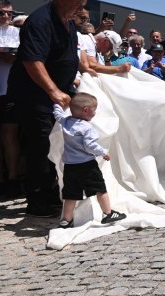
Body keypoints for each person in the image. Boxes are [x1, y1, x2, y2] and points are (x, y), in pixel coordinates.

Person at [7, 0, 85, 216]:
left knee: (57, 145)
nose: (80, 10)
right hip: (36, 96)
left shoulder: (68, 22)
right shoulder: (40, 21)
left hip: (60, 95)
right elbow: (32, 61)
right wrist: (53, 90)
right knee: (41, 146)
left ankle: (53, 192)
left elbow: (68, 56)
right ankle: (38, 200)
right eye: (76, 4)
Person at [53, 93, 126, 228]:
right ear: (85, 110)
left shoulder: (66, 122)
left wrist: (57, 103)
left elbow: (58, 114)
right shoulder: (87, 128)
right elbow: (90, 145)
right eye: (94, 109)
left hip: (70, 166)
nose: (95, 112)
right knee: (100, 189)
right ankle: (108, 214)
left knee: (71, 193)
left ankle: (66, 220)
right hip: (87, 165)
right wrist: (103, 152)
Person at [0, 0, 22, 198]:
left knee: (10, 135)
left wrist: (11, 57)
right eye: (1, 13)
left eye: (9, 13)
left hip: (10, 91)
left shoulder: (17, 33)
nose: (6, 17)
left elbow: (27, 57)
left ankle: (13, 179)